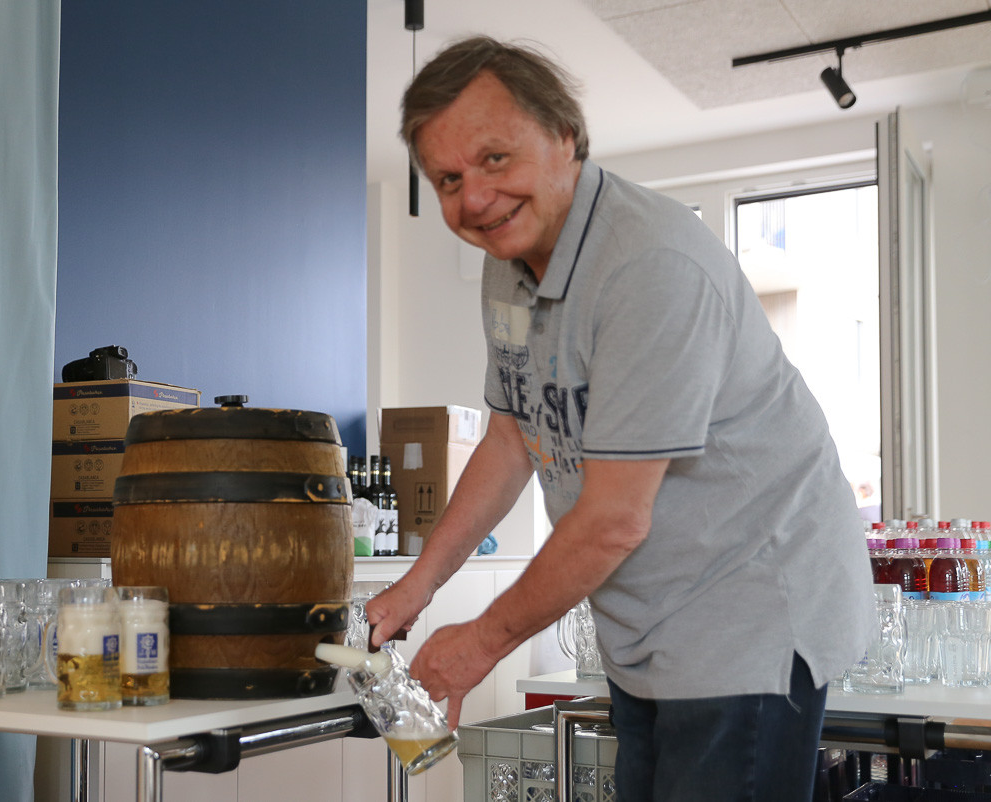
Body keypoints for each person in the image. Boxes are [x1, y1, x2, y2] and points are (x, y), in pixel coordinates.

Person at [365, 35, 877, 802]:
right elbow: (511, 437)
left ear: (565, 136)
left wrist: (479, 644)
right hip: (648, 627)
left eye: (495, 159)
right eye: (448, 179)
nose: (473, 199)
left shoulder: (650, 267)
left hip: (748, 611)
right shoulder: (509, 267)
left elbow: (612, 521)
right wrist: (418, 586)